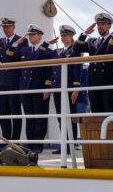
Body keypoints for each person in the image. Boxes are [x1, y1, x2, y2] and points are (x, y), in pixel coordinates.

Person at [8, 24, 51, 153]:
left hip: (39, 88)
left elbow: (49, 70)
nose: (31, 37)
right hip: (26, 87)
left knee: (40, 117)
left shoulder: (47, 51)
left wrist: (47, 87)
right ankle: (30, 142)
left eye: (33, 34)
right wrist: (16, 43)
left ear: (40, 36)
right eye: (29, 35)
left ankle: (38, 145)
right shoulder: (25, 50)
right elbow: (10, 55)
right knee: (29, 117)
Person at [0, 17, 28, 141]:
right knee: (3, 113)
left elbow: (14, 56)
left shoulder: (22, 40)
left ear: (13, 27)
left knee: (15, 112)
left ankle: (15, 141)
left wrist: (14, 45)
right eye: (4, 27)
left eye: (8, 26)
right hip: (1, 81)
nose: (6, 29)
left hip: (14, 80)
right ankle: (6, 140)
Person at [46, 25, 81, 154]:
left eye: (66, 35)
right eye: (62, 36)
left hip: (69, 88)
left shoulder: (75, 51)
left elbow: (77, 71)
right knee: (61, 118)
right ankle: (63, 145)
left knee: (69, 117)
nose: (63, 38)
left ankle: (71, 144)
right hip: (57, 89)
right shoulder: (56, 52)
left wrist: (76, 88)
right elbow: (44, 55)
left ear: (72, 36)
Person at [73, 13, 113, 113]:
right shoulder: (91, 41)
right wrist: (84, 34)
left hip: (108, 82)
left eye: (103, 24)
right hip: (93, 82)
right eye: (98, 24)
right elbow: (76, 49)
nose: (100, 26)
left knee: (109, 112)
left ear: (109, 25)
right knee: (96, 113)